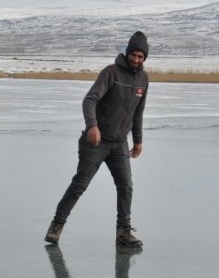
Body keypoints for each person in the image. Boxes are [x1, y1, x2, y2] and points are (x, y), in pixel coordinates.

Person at [45, 31, 149, 248]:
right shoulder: (111, 73)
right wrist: (92, 126)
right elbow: (90, 100)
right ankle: (57, 225)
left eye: (141, 56)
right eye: (134, 55)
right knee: (79, 185)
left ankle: (123, 232)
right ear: (127, 53)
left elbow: (138, 113)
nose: (136, 60)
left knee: (126, 187)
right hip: (96, 142)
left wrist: (137, 140)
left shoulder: (143, 79)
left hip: (120, 143)